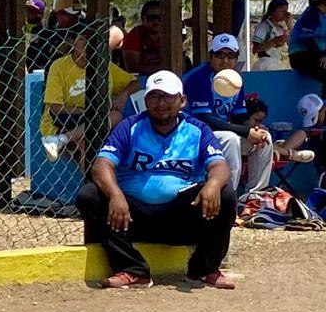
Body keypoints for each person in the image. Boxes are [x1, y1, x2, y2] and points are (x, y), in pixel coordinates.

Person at [73, 71, 236, 290]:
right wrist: (115, 194)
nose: (161, 103)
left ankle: (204, 269)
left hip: (181, 217)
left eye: (168, 97)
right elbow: (102, 165)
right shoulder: (130, 127)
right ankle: (133, 270)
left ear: (182, 100)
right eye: (154, 97)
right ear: (146, 101)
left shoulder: (198, 130)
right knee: (89, 196)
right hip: (131, 217)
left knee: (225, 195)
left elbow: (220, 166)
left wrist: (213, 185)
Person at [183, 34, 273, 195]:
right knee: (231, 140)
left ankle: (253, 196)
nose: (225, 61)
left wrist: (252, 131)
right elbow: (205, 119)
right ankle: (228, 200)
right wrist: (246, 132)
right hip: (195, 134)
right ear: (211, 56)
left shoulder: (234, 79)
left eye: (231, 56)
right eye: (220, 55)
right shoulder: (200, 78)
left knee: (264, 137)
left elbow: (240, 115)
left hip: (219, 133)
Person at [41, 32, 141, 161]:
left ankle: (61, 140)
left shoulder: (103, 64)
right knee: (86, 140)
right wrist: (87, 113)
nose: (87, 43)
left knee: (115, 117)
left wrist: (123, 95)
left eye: (92, 39)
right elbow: (55, 108)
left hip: (94, 118)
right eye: (82, 38)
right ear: (73, 42)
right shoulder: (59, 66)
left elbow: (136, 82)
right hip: (65, 117)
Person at [287, 0, 326, 93]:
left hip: (314, 55)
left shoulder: (321, 15)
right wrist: (322, 55)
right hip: (302, 56)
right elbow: (306, 38)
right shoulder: (312, 14)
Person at [28, 0, 84, 70]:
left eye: (77, 14)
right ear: (58, 14)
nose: (75, 18)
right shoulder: (46, 36)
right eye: (69, 14)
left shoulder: (82, 31)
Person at [121, 0, 166, 74]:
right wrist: (163, 68)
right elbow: (133, 68)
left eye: (159, 18)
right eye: (151, 18)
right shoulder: (135, 35)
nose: (156, 21)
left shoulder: (169, 35)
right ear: (143, 19)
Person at [250, 0, 293, 72]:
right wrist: (274, 42)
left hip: (276, 63)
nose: (286, 14)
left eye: (287, 11)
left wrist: (289, 26)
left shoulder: (281, 28)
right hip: (265, 64)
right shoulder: (263, 26)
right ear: (273, 11)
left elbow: (292, 44)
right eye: (282, 11)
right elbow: (255, 49)